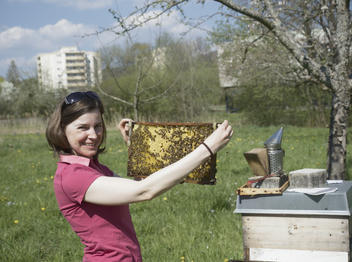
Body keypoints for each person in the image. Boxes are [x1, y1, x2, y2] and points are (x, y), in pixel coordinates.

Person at [46, 91, 233, 262]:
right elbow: (143, 191)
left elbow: (140, 183)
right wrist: (207, 148)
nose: (93, 135)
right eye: (83, 128)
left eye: (98, 126)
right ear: (62, 130)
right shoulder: (72, 176)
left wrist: (136, 148)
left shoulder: (94, 168)